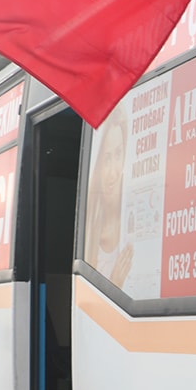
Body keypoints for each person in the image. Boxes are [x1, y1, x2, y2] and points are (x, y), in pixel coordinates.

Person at [83, 106, 134, 287]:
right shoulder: (89, 231)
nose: (113, 171)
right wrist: (115, 283)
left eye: (118, 154)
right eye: (106, 159)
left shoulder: (132, 227)